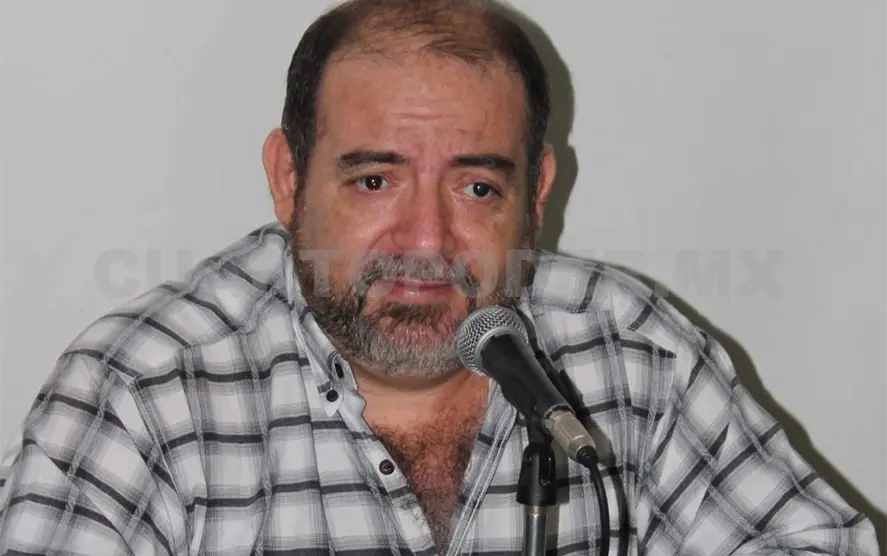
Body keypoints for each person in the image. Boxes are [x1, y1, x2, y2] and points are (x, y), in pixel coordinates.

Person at [0, 0, 879, 554]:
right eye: (373, 181)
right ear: (288, 179)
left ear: (535, 193)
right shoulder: (145, 392)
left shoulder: (629, 349)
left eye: (475, 187)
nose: (426, 239)